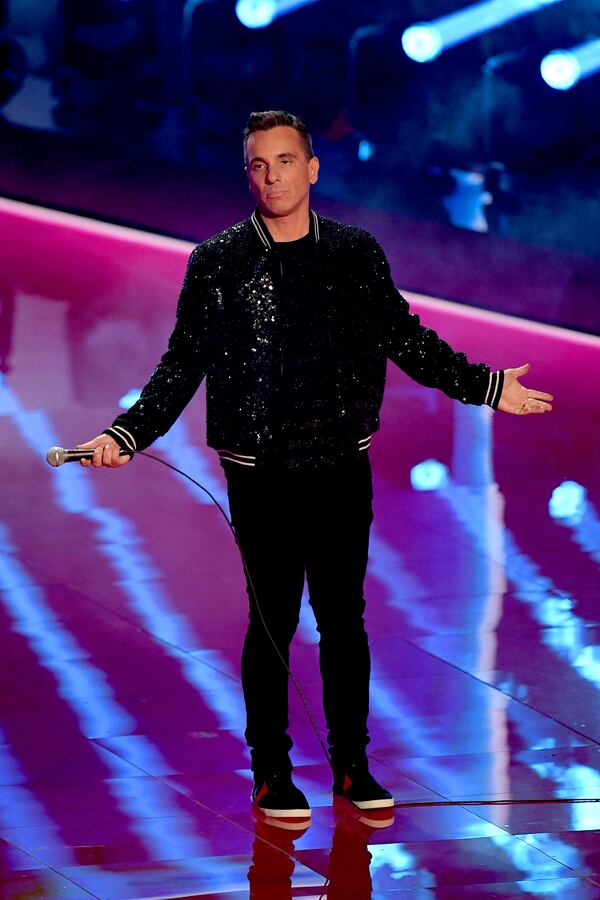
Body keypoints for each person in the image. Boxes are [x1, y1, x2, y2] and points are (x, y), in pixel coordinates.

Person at [77, 109, 553, 821]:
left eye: (286, 162)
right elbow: (183, 364)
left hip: (338, 463)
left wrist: (487, 387)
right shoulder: (219, 261)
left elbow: (408, 340)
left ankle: (352, 765)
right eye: (259, 166)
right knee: (271, 619)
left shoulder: (355, 255)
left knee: (344, 619)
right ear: (249, 175)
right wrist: (128, 432)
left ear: (312, 168)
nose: (273, 178)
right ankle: (271, 771)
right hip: (259, 468)